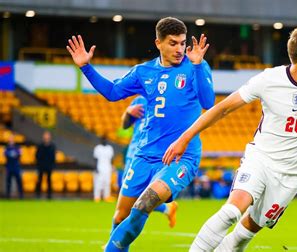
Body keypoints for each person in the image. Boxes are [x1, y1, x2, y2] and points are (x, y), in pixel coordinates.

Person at [163, 25, 297, 251]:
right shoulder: (269, 79)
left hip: (291, 176)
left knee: (245, 234)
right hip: (260, 160)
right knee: (231, 211)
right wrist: (185, 138)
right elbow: (223, 108)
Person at [67, 16, 214, 251]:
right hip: (144, 155)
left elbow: (208, 102)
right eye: (173, 43)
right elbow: (113, 92)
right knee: (119, 217)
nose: (179, 49)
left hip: (180, 156)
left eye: (182, 43)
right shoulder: (143, 72)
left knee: (145, 203)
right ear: (158, 43)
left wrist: (197, 65)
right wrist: (86, 66)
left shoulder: (195, 66)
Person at [119, 95, 178, 229]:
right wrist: (128, 112)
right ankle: (166, 209)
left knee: (132, 198)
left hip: (152, 155)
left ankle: (114, 243)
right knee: (128, 197)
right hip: (134, 153)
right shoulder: (140, 101)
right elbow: (124, 125)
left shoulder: (169, 99)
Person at [35, 131, 56, 199]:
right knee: (39, 180)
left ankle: (49, 195)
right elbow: (37, 156)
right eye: (45, 136)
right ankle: (38, 194)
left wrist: (52, 165)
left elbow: (53, 157)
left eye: (48, 136)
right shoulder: (40, 146)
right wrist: (39, 164)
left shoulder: (52, 146)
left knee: (49, 180)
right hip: (41, 166)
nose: (46, 138)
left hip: (49, 166)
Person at [93, 137, 114, 202]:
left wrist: (112, 167)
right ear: (101, 140)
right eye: (103, 140)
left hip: (108, 167)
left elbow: (111, 159)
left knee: (107, 183)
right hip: (100, 167)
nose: (104, 141)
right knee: (98, 183)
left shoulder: (110, 148)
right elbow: (95, 159)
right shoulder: (97, 148)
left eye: (105, 140)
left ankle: (107, 196)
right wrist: (95, 168)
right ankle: (97, 197)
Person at [4, 134, 23, 199]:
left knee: (19, 181)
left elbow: (19, 154)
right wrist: (13, 154)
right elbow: (6, 154)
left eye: (12, 138)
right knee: (8, 181)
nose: (11, 139)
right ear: (9, 139)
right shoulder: (6, 147)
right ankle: (8, 195)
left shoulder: (17, 147)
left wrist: (12, 155)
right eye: (10, 138)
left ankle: (21, 195)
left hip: (16, 166)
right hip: (9, 166)